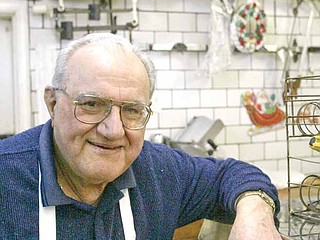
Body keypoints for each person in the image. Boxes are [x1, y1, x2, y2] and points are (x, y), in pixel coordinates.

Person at [0, 33, 282, 239]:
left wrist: (256, 208)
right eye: (91, 104)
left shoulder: (159, 171)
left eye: (132, 110)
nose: (113, 130)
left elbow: (229, 175)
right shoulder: (6, 177)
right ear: (52, 104)